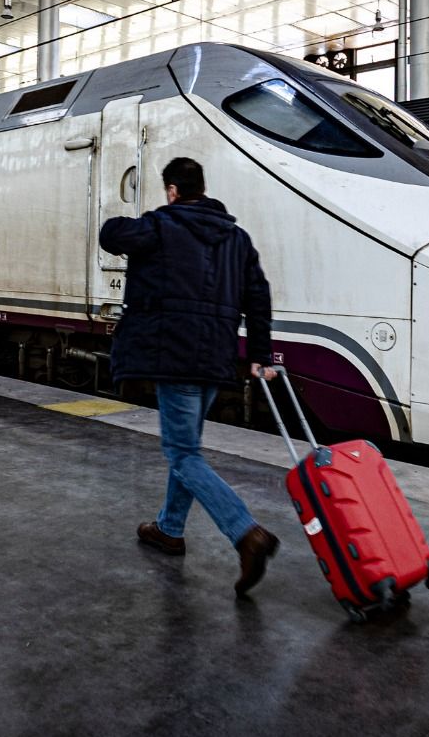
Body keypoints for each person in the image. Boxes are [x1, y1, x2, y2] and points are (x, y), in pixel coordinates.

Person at [99, 157, 279, 597]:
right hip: (214, 359)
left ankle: (245, 532)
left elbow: (109, 234)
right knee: (187, 451)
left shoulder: (160, 226)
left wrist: (151, 216)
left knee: (182, 454)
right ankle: (170, 529)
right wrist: (258, 354)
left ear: (174, 190)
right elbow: (259, 297)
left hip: (172, 356)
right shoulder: (237, 238)